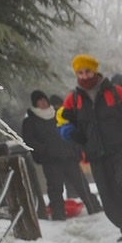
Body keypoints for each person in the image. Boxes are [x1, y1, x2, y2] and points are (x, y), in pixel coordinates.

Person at [58, 54, 122, 241]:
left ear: (95, 71)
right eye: (80, 73)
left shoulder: (116, 93)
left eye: (88, 71)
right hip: (96, 154)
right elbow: (62, 122)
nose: (85, 76)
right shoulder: (73, 100)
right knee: (108, 192)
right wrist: (70, 132)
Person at [19, 90, 101, 219]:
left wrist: (76, 149)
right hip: (51, 161)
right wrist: (46, 151)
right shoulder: (31, 121)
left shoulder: (58, 114)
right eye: (40, 101)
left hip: (69, 156)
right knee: (55, 189)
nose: (43, 103)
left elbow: (71, 131)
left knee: (82, 185)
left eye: (44, 99)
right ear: (35, 104)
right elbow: (30, 141)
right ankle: (59, 215)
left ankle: (95, 209)